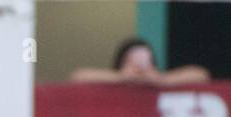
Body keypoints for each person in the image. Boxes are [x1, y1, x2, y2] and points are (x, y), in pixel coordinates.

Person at [70, 37, 210, 87]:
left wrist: (161, 80)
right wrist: (122, 77)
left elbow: (201, 74)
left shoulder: (158, 80)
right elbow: (78, 76)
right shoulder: (112, 80)